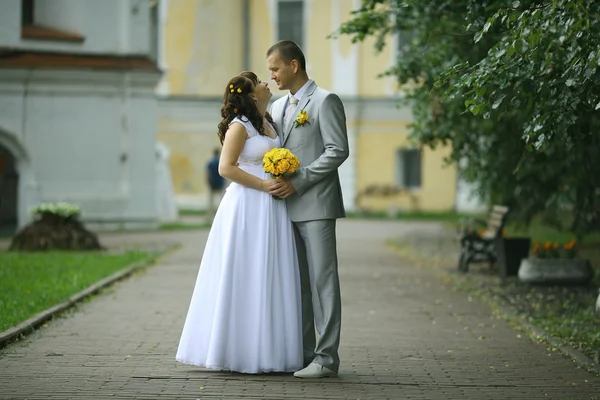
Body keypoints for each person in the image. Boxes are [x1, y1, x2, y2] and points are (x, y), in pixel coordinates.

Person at [176, 74, 303, 373]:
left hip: (272, 207)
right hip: (247, 205)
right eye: (259, 80)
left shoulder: (269, 122)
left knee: (269, 271)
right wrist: (262, 186)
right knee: (246, 270)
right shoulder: (240, 126)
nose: (265, 82)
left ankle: (269, 349)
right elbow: (225, 168)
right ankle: (235, 350)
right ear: (251, 94)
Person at [266, 40, 350, 378]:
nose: (271, 75)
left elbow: (337, 150)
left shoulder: (325, 100)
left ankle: (327, 359)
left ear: (294, 66)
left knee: (322, 282)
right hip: (283, 210)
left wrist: (299, 180)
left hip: (316, 206)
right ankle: (303, 356)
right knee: (297, 285)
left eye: (275, 68)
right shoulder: (276, 105)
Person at [205, 148, 224, 220]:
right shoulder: (220, 161)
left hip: (212, 183)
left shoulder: (210, 162)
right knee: (221, 200)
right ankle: (221, 215)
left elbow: (207, 173)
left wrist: (207, 181)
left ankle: (209, 216)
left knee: (210, 201)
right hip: (220, 182)